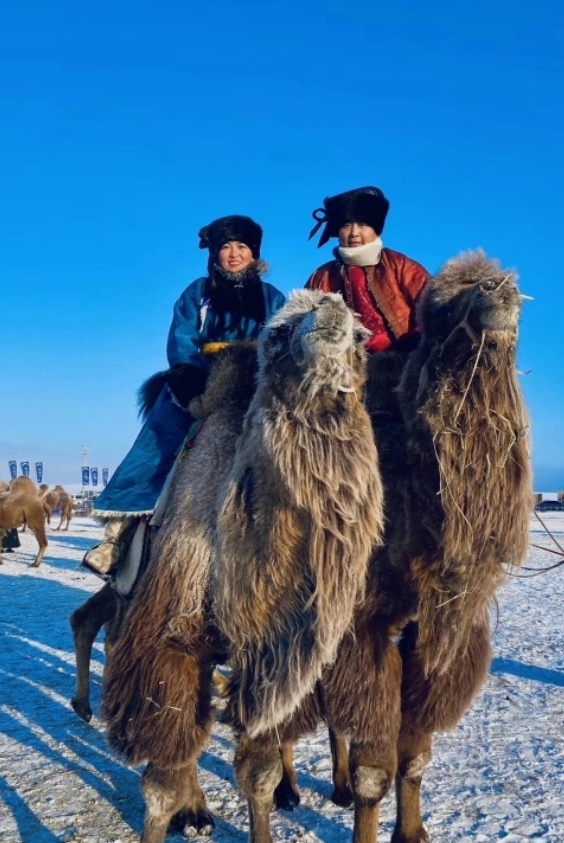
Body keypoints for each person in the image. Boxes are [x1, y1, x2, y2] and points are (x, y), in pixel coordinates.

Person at [84, 214, 286, 576]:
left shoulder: (272, 298)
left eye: (242, 247)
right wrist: (188, 378)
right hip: (201, 377)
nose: (234, 254)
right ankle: (117, 533)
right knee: (160, 435)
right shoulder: (198, 293)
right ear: (214, 253)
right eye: (226, 247)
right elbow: (182, 338)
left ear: (254, 254)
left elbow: (280, 341)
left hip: (256, 382)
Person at [306, 185, 429, 352]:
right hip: (345, 367)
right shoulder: (322, 276)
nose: (354, 233)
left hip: (402, 361)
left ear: (376, 230)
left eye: (363, 224)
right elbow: (302, 321)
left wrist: (412, 345)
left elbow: (432, 304)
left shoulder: (399, 265)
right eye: (347, 225)